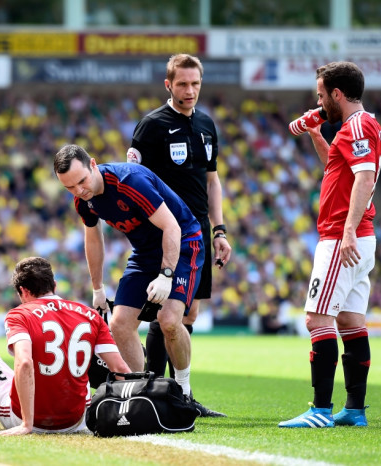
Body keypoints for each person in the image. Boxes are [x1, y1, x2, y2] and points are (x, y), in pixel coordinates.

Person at [53, 144, 204, 401]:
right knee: (119, 324)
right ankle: (142, 395)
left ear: (93, 164)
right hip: (144, 254)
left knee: (168, 321)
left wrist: (166, 275)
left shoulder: (130, 181)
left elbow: (172, 227)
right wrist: (98, 288)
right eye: (69, 188)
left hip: (183, 243)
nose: (79, 191)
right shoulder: (84, 202)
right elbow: (93, 238)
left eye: (81, 181)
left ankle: (183, 393)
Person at [279, 61, 381, 428]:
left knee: (316, 318)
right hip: (357, 237)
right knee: (350, 321)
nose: (319, 103)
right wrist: (316, 133)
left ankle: (320, 409)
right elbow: (337, 169)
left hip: (342, 236)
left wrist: (349, 229)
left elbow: (365, 177)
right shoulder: (358, 127)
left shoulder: (356, 126)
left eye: (322, 96)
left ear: (337, 94)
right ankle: (354, 410)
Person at [126, 53, 231, 418]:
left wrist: (218, 229)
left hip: (200, 230)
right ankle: (154, 388)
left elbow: (211, 180)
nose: (190, 90)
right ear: (168, 85)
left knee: (188, 315)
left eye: (196, 83)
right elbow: (133, 179)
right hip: (167, 231)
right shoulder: (152, 126)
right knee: (164, 313)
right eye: (183, 84)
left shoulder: (205, 124)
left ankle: (176, 394)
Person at [0, 256, 131, 435]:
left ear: (23, 291)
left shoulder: (20, 314)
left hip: (28, 417)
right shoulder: (89, 314)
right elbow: (120, 368)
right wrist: (130, 415)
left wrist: (26, 425)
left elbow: (25, 363)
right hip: (77, 420)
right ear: (54, 285)